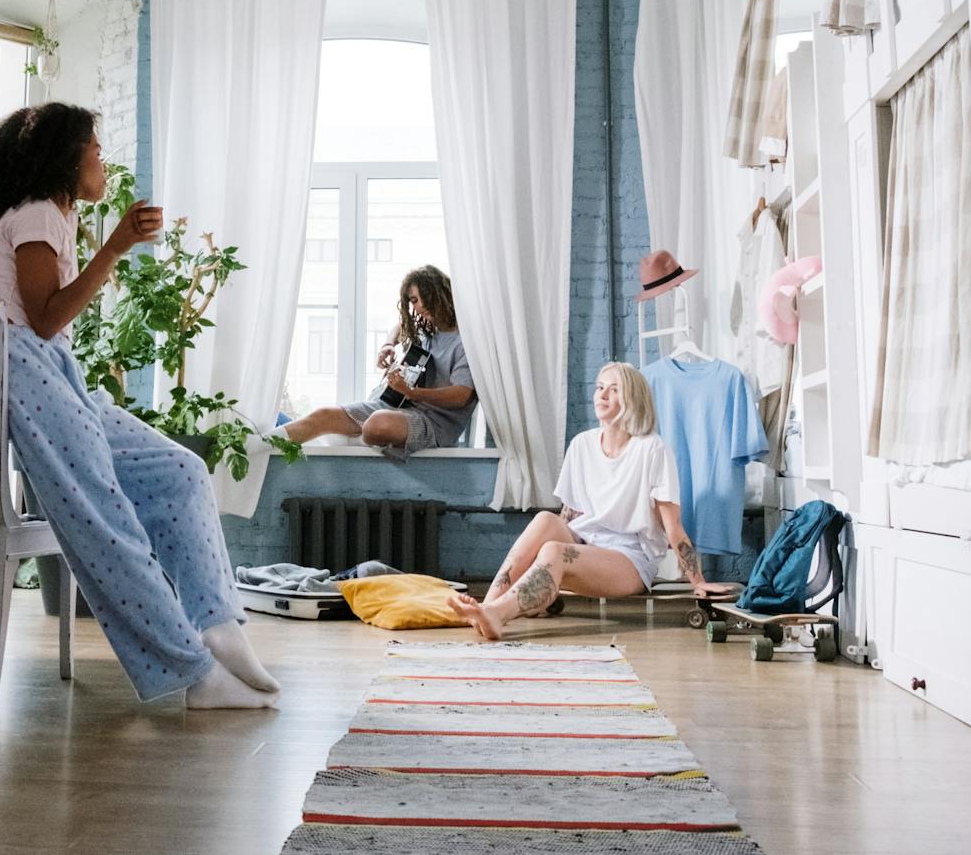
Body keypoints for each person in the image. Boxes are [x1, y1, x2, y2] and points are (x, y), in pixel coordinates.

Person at [0, 101, 278, 709]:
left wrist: (110, 246)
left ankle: (217, 623)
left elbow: (49, 326)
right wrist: (114, 247)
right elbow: (42, 319)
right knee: (105, 523)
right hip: (19, 368)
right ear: (65, 156)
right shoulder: (36, 213)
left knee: (181, 469)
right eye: (93, 147)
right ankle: (193, 673)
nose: (101, 159)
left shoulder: (51, 216)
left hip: (49, 370)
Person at [449, 361, 729, 640]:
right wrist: (541, 576)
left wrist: (698, 581)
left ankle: (498, 615)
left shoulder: (652, 449)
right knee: (546, 521)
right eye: (599, 388)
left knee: (555, 552)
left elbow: (673, 525)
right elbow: (569, 516)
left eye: (614, 389)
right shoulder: (582, 444)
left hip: (629, 559)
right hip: (586, 542)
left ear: (633, 399)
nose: (602, 395)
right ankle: (488, 605)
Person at [269, 265, 476, 457]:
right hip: (397, 407)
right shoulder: (429, 328)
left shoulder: (465, 341)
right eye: (413, 300)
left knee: (377, 424)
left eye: (425, 297)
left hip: (433, 424)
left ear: (442, 293)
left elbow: (462, 396)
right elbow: (402, 325)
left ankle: (351, 436)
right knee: (322, 416)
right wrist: (388, 345)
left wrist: (412, 392)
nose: (420, 305)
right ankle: (257, 447)